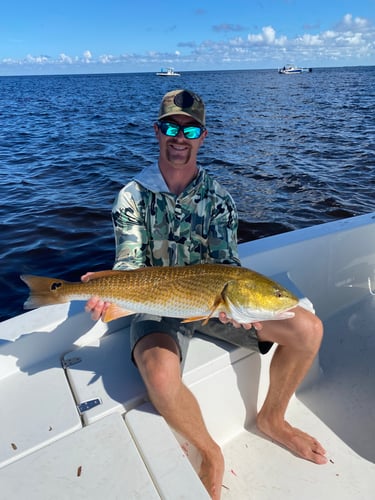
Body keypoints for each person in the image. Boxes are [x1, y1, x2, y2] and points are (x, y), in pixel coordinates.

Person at [84, 89, 327, 500]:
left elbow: (226, 266)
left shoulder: (219, 199)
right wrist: (110, 291)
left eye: (190, 128)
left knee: (309, 329)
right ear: (157, 132)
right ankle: (209, 451)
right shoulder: (131, 196)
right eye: (171, 127)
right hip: (156, 302)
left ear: (202, 136)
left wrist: (235, 309)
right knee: (159, 375)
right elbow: (129, 264)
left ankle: (272, 419)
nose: (180, 137)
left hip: (216, 303)